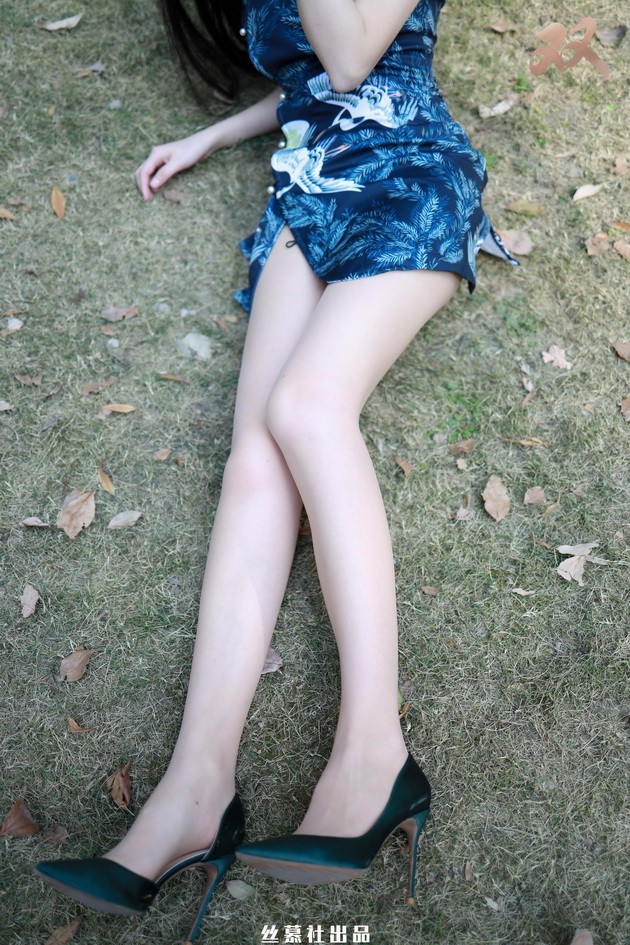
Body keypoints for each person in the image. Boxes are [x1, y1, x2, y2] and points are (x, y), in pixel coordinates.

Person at [34, 1, 521, 941]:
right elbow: (307, 79)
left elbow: (352, 55)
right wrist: (213, 134)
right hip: (309, 186)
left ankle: (375, 755)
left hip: (409, 172)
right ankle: (194, 792)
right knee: (255, 460)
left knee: (305, 408)